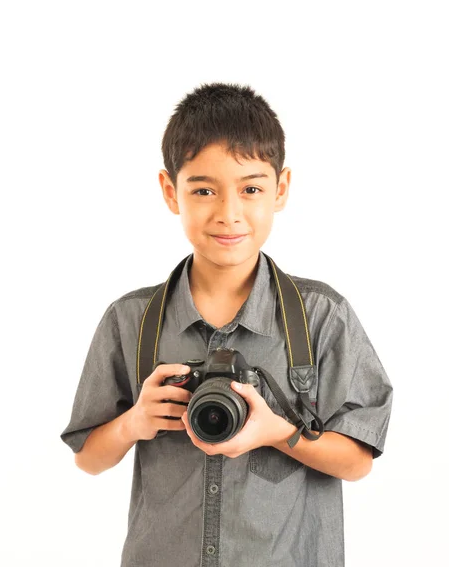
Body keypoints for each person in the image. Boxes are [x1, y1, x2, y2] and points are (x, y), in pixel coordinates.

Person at [60, 82, 393, 567]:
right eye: (204, 190)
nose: (229, 213)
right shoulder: (130, 321)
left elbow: (358, 461)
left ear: (280, 190)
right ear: (170, 192)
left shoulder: (323, 316)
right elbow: (88, 458)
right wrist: (137, 420)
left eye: (251, 188)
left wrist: (278, 432)